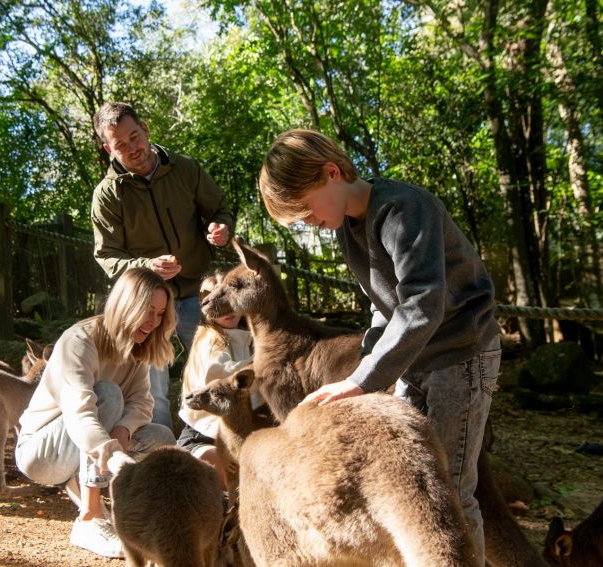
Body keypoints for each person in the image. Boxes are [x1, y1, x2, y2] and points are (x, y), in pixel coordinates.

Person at [258, 128, 502, 566]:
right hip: (415, 362)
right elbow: (383, 307)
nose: (306, 222)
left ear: (332, 173)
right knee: (414, 482)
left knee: (451, 488)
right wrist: (368, 372)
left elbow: (422, 302)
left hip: (461, 354)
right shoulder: (348, 229)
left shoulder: (403, 209)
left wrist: (362, 379)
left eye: (305, 209)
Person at [14, 267, 178, 559]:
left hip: (88, 445)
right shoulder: (79, 340)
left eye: (160, 314)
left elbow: (143, 403)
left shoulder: (137, 347)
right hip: (41, 452)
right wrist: (108, 448)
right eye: (148, 311)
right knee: (108, 394)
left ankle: (135, 512)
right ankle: (90, 517)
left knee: (161, 437)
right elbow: (81, 410)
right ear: (127, 305)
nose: (154, 322)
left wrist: (123, 430)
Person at [91, 101, 235, 432]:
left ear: (146, 130)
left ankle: (223, 442)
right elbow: (107, 256)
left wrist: (221, 229)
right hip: (148, 306)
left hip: (200, 293)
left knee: (217, 365)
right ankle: (159, 452)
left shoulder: (186, 169)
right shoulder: (107, 196)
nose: (132, 148)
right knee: (151, 387)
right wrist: (147, 267)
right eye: (120, 145)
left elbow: (220, 209)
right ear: (108, 149)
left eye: (134, 136)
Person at [176, 273, 256, 489]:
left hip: (240, 431)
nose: (227, 310)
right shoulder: (209, 339)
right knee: (223, 469)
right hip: (204, 433)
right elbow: (218, 377)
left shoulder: (249, 339)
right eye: (218, 305)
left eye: (231, 303)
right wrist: (262, 360)